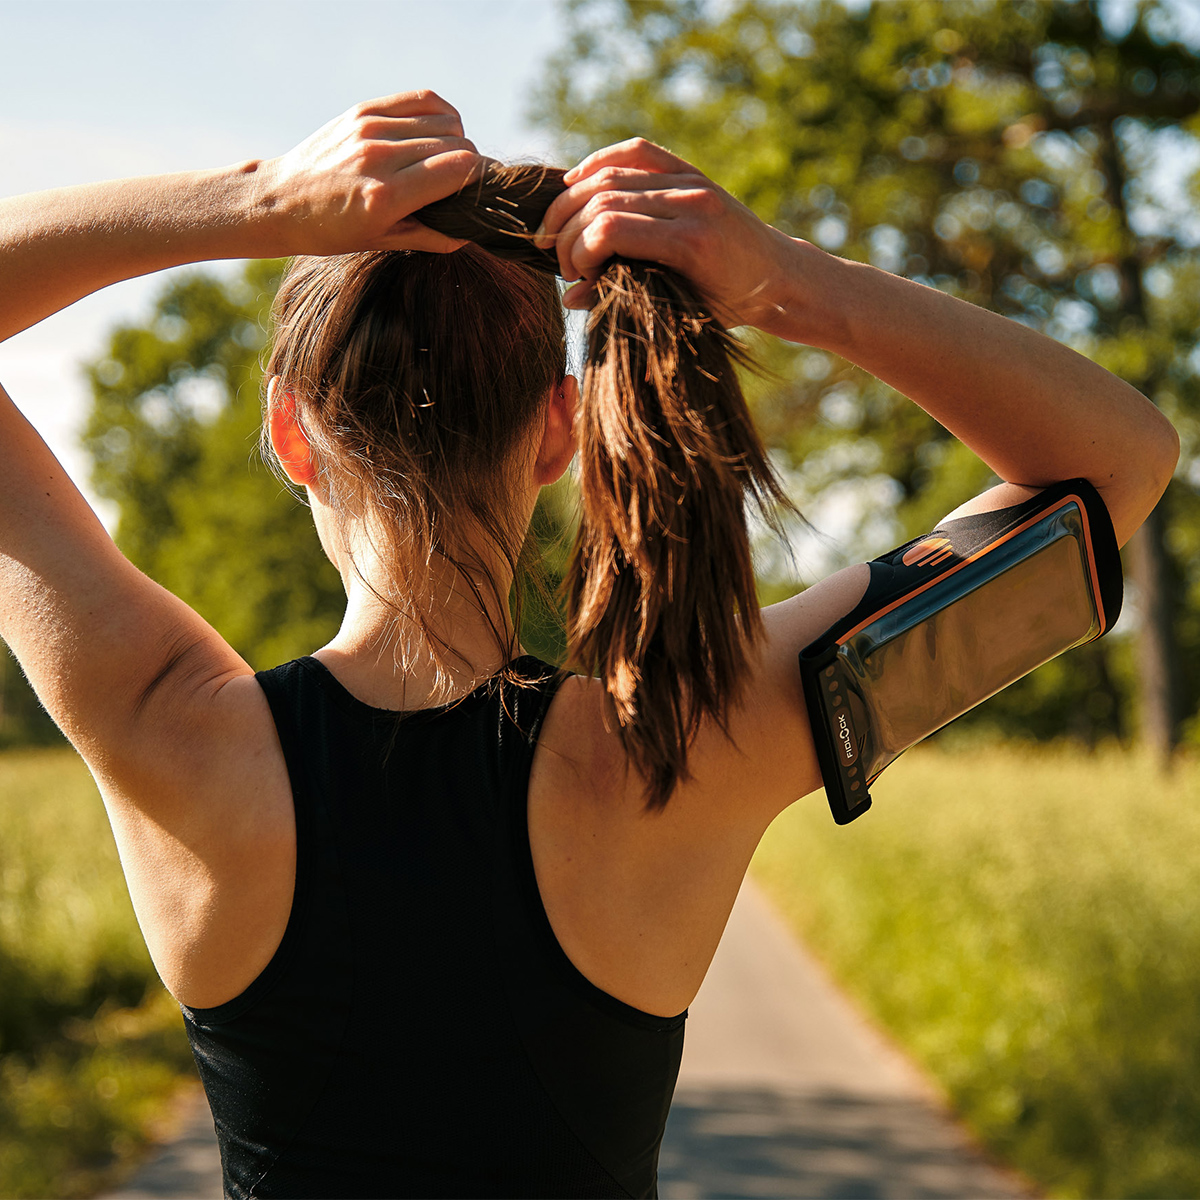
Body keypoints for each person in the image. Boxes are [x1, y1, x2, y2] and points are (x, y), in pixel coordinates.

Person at [0, 90, 1177, 1198]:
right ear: (559, 433)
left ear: (291, 435)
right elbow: (1119, 462)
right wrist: (779, 281)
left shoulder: (171, 729)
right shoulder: (691, 741)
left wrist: (254, 201)